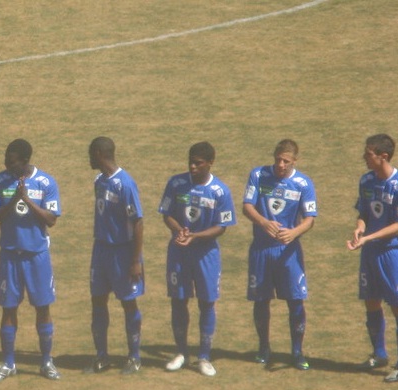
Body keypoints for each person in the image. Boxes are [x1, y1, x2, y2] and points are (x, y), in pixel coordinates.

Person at [0, 139, 61, 382]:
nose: (8, 165)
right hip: (9, 255)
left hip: (36, 255)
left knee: (42, 307)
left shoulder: (46, 182)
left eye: (13, 161)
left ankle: (46, 361)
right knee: (8, 309)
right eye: (6, 160)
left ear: (25, 161)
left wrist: (27, 200)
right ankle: (8, 363)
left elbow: (51, 219)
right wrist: (13, 201)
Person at [158, 141, 236, 377]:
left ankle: (204, 356)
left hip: (206, 254)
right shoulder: (176, 183)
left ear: (210, 163)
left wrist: (195, 236)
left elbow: (222, 227)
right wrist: (180, 230)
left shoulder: (220, 191)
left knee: (206, 302)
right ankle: (181, 353)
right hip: (179, 251)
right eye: (190, 162)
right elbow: (167, 214)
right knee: (178, 300)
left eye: (198, 163)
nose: (192, 167)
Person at [346, 133, 398, 383]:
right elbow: (363, 212)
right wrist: (360, 228)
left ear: (382, 157)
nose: (364, 157)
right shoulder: (366, 181)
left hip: (392, 253)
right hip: (370, 251)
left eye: (369, 154)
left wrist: (369, 238)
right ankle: (379, 353)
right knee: (371, 302)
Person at [242, 139, 316, 370]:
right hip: (262, 250)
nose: (281, 165)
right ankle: (264, 347)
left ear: (295, 160)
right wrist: (263, 222)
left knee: (295, 301)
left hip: (288, 252)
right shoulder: (258, 175)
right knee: (261, 300)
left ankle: (297, 352)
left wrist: (293, 233)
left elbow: (310, 218)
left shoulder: (303, 184)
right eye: (278, 160)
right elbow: (247, 206)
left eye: (286, 161)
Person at [84, 137, 145, 375]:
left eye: (90, 154)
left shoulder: (126, 184)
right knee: (98, 300)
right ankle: (101, 356)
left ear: (99, 153)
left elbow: (138, 223)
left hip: (122, 251)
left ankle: (135, 356)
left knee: (128, 302)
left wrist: (135, 261)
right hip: (100, 250)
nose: (88, 159)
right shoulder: (99, 181)